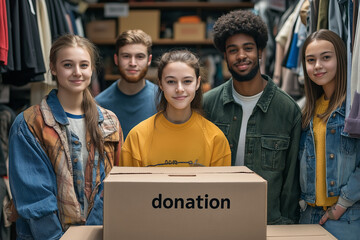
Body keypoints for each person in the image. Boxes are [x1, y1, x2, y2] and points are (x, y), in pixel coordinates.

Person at [8, 34, 123, 239]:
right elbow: (35, 198)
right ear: (53, 68)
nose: (77, 72)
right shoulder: (30, 123)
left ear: (92, 69)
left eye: (84, 65)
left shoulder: (110, 122)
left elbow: (114, 188)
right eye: (68, 65)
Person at [202, 10, 302, 225]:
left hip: (269, 223)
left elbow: (291, 184)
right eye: (233, 50)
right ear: (225, 56)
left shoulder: (288, 109)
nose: (241, 56)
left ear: (260, 52)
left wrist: (286, 226)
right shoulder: (207, 104)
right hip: (216, 220)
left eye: (248, 48)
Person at [120, 50, 231, 167]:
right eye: (171, 81)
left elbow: (220, 186)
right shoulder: (136, 137)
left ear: (197, 83)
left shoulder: (216, 139)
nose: (179, 89)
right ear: (161, 84)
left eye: (187, 81)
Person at [298, 29, 360, 240]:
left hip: (346, 217)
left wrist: (343, 203)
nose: (317, 66)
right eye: (310, 60)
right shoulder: (306, 110)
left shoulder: (353, 108)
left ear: (340, 59)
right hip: (308, 214)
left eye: (326, 57)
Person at [95, 29, 158, 139]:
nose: (132, 63)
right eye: (126, 56)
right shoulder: (100, 105)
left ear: (149, 60)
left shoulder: (163, 99)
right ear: (116, 59)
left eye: (140, 56)